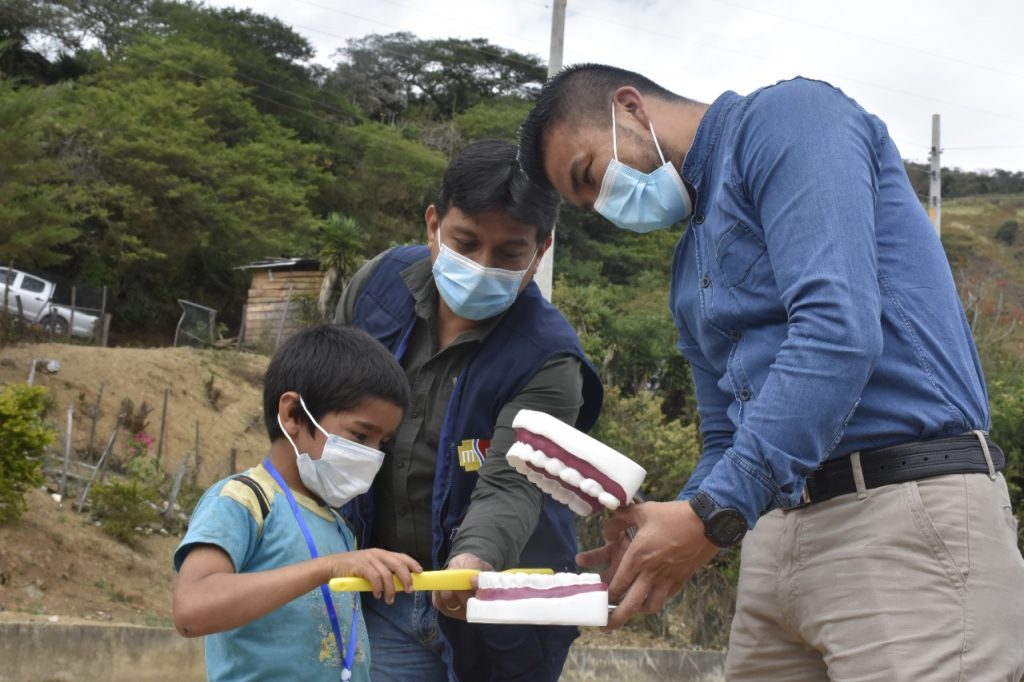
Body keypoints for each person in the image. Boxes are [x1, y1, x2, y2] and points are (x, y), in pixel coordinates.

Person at [517, 64, 1024, 680]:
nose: (604, 204)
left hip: (902, 516)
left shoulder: (788, 119)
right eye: (587, 204)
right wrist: (676, 522)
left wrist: (712, 515)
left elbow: (837, 334)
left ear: (630, 107)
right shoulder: (687, 270)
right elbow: (726, 437)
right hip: (771, 536)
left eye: (590, 175)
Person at [335, 139, 603, 681]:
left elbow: (512, 479)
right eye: (465, 242)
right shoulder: (377, 288)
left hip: (500, 609)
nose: (483, 267)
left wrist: (472, 561)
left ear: (540, 251)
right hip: (383, 594)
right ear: (433, 225)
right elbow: (324, 411)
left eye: (508, 254)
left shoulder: (550, 358)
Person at [172, 324, 423, 681]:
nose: (373, 455)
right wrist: (328, 568)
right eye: (360, 435)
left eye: (382, 442)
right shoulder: (244, 500)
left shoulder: (337, 525)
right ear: (292, 414)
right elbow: (191, 611)